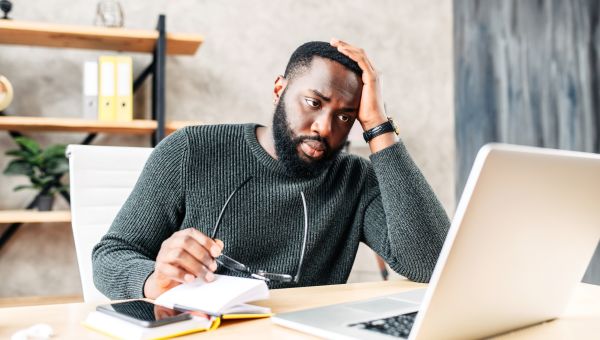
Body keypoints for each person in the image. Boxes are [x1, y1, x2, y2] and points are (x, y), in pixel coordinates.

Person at [92, 39, 450, 300]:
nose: (324, 127)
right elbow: (111, 256)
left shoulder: (355, 179)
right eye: (313, 103)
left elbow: (432, 263)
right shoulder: (192, 150)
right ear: (280, 90)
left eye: (345, 116)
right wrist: (157, 280)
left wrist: (378, 126)